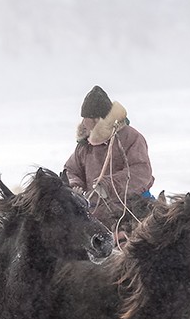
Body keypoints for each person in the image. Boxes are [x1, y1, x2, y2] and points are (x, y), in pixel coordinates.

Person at [64, 85, 155, 239]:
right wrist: (75, 186)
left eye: (86, 118)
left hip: (131, 210)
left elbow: (141, 171)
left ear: (97, 118)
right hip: (95, 214)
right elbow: (71, 169)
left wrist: (109, 185)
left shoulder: (131, 138)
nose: (83, 123)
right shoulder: (84, 145)